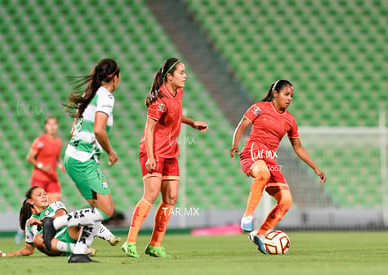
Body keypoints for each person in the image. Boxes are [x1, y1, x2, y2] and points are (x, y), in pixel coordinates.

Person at [121, 58, 208, 258]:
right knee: (150, 195)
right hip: (154, 152)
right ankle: (130, 242)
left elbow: (176, 116)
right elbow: (149, 129)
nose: (185, 76)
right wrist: (151, 157)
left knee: (170, 198)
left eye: (185, 72)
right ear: (169, 76)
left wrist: (192, 123)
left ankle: (155, 244)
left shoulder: (179, 93)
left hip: (170, 153)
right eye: (181, 72)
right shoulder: (159, 99)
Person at [230, 80, 326, 254]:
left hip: (270, 159)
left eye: (291, 96)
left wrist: (315, 168)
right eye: (286, 94)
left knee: (286, 201)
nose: (289, 99)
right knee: (263, 174)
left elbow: (297, 146)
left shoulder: (290, 120)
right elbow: (242, 124)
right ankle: (247, 216)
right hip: (253, 151)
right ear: (275, 93)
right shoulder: (260, 108)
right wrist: (235, 144)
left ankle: (259, 233)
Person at [42, 58, 121, 263]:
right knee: (106, 210)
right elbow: (99, 130)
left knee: (96, 211)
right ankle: (55, 223)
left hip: (76, 157)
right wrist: (111, 152)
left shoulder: (92, 94)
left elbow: (75, 126)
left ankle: (79, 251)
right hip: (83, 160)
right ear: (115, 77)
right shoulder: (105, 96)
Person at [0, 186, 119, 257]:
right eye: (39, 195)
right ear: (31, 201)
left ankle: (109, 236)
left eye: (45, 194)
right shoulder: (29, 223)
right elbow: (29, 250)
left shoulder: (56, 205)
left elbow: (61, 220)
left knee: (78, 216)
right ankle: (79, 250)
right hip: (53, 246)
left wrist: (40, 223)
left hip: (68, 234)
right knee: (38, 238)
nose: (44, 196)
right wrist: (5, 255)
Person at [26, 117, 65, 203]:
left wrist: (62, 166)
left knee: (55, 202)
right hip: (39, 177)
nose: (52, 127)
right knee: (38, 205)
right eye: (49, 124)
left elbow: (56, 158)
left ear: (57, 126)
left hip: (52, 177)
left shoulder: (59, 142)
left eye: (54, 124)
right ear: (45, 126)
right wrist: (41, 166)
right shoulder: (40, 141)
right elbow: (29, 158)